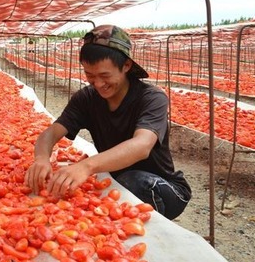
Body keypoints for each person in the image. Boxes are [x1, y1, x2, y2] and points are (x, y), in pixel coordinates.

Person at [25, 25, 191, 220]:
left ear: (126, 66)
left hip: (163, 186)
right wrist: (42, 159)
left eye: (105, 76)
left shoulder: (151, 98)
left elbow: (141, 146)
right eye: (90, 75)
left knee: (135, 181)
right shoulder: (86, 99)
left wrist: (86, 166)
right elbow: (50, 134)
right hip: (118, 180)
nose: (98, 84)